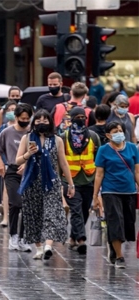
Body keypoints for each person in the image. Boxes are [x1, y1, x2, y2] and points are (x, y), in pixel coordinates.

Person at [16, 109, 75, 260]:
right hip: (32, 181)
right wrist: (28, 153)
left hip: (51, 182)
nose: (41, 123)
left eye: (45, 120)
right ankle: (39, 247)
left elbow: (63, 163)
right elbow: (17, 161)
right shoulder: (27, 138)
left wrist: (70, 184)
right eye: (38, 120)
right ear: (33, 122)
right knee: (33, 215)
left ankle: (48, 246)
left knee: (52, 213)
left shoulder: (57, 140)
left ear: (50, 122)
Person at [93, 121, 138, 269]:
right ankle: (119, 256)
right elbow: (99, 174)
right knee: (115, 221)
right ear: (108, 135)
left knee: (127, 223)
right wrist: (95, 196)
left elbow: (137, 171)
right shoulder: (103, 150)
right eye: (114, 131)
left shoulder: (132, 148)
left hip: (129, 191)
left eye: (120, 130)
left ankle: (113, 246)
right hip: (110, 191)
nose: (119, 133)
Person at [60, 107, 101, 255]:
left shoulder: (93, 136)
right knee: (76, 210)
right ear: (71, 119)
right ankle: (81, 240)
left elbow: (98, 158)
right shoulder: (63, 137)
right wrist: (60, 180)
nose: (81, 119)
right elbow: (60, 160)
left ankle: (73, 237)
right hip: (70, 180)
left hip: (89, 179)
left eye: (83, 117)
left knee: (84, 211)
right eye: (77, 116)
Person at [0, 103, 33, 252]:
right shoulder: (7, 132)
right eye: (22, 118)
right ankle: (13, 235)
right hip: (12, 171)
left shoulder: (32, 133)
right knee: (15, 203)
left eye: (27, 118)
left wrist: (28, 164)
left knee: (27, 205)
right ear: (16, 117)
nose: (25, 121)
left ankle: (23, 237)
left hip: (29, 171)